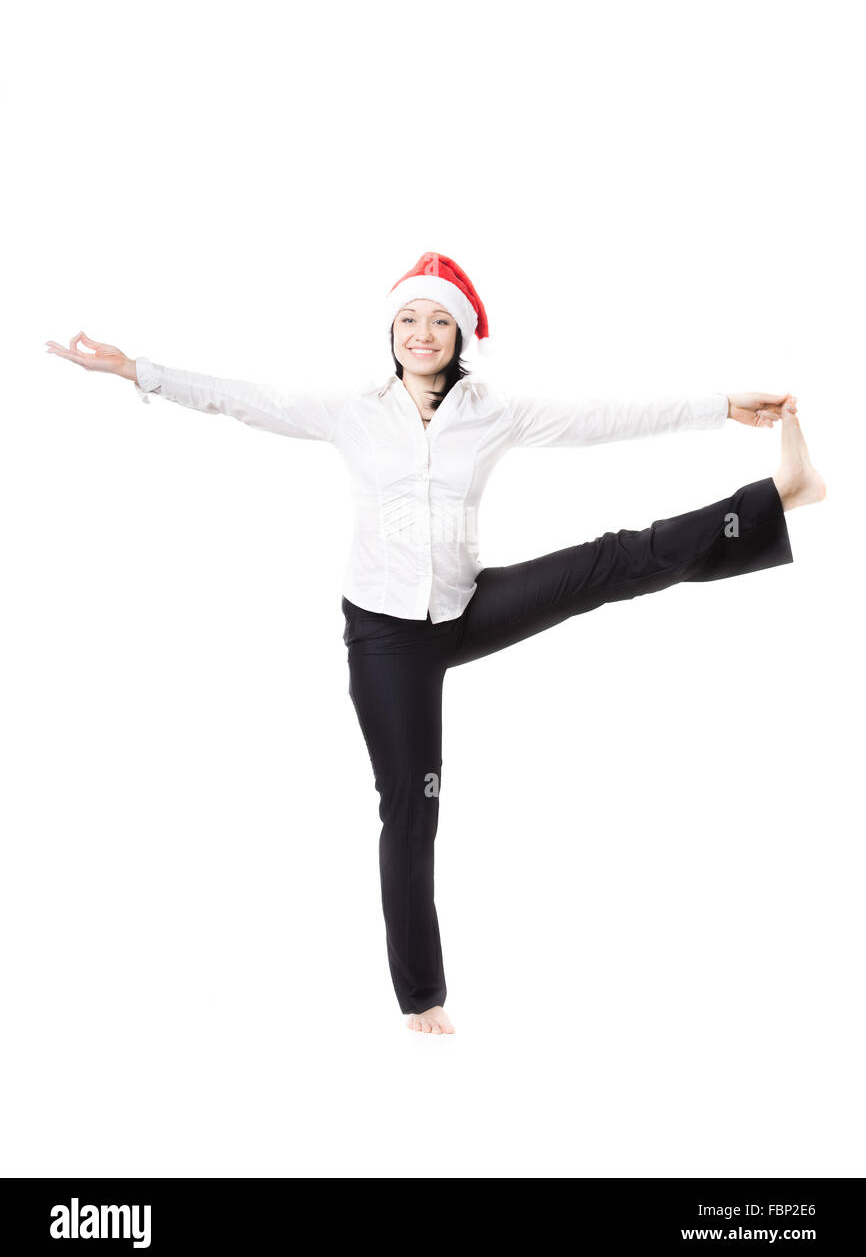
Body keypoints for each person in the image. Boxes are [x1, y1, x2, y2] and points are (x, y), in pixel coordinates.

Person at [45, 251, 826, 1036]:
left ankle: (783, 496)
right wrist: (133, 370)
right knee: (412, 811)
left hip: (465, 607)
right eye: (410, 319)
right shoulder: (352, 410)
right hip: (387, 643)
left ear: (461, 335)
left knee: (612, 559)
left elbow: (603, 418)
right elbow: (240, 400)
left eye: (440, 321)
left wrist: (723, 405)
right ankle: (423, 999)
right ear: (393, 331)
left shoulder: (491, 411)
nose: (423, 334)